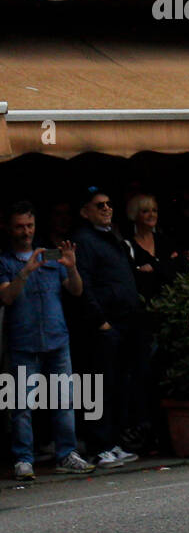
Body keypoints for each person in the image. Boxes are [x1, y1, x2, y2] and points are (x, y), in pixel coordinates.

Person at [1, 203, 96, 479]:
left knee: (64, 400)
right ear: (9, 228)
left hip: (57, 338)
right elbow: (5, 297)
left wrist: (73, 267)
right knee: (22, 406)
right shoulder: (5, 262)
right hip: (23, 341)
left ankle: (67, 454)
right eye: (20, 227)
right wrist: (25, 271)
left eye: (29, 226)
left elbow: (76, 290)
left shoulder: (49, 256)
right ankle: (23, 459)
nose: (26, 232)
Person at [71, 187, 142, 469]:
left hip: (124, 325)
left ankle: (112, 443)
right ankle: (97, 447)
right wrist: (100, 321)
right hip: (101, 327)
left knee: (117, 385)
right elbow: (83, 286)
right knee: (96, 387)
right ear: (84, 212)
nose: (106, 208)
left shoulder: (113, 237)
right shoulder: (83, 241)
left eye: (109, 204)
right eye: (99, 205)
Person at [123, 193, 182, 454]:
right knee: (143, 378)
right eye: (145, 211)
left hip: (168, 318)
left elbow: (179, 268)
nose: (151, 216)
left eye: (154, 211)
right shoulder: (127, 246)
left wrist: (155, 269)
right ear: (135, 215)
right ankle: (144, 432)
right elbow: (133, 278)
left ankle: (165, 436)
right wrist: (162, 267)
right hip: (143, 322)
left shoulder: (165, 241)